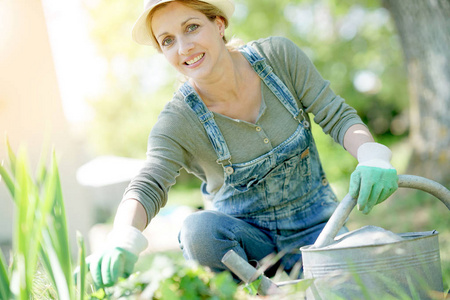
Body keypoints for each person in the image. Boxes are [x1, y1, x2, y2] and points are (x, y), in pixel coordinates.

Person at [87, 0, 398, 288]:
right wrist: (122, 235)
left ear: (219, 24)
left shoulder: (278, 58)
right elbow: (149, 182)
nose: (183, 47)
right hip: (249, 256)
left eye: (191, 27)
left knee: (380, 272)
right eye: (167, 40)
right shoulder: (178, 121)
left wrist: (371, 155)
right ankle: (263, 294)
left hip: (321, 234)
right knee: (198, 230)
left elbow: (336, 114)